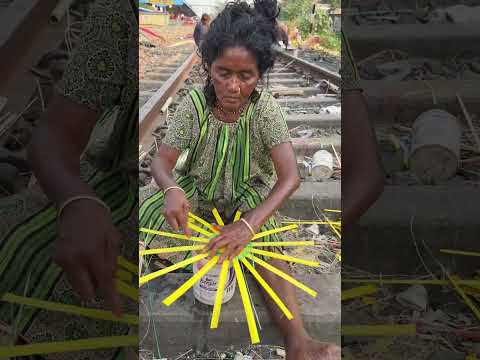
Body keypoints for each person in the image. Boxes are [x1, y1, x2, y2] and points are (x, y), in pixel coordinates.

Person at [139, 0, 340, 358]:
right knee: (151, 213)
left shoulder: (265, 110)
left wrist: (248, 225)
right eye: (222, 73)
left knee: (264, 240)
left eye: (245, 76)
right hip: (197, 190)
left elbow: (290, 177)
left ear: (259, 75)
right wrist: (170, 189)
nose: (232, 86)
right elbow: (161, 163)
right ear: (208, 67)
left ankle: (298, 340)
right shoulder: (194, 106)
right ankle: (205, 251)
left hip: (249, 194)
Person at [0, 1, 138, 358]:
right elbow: (54, 135)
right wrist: (76, 200)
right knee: (18, 252)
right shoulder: (121, 10)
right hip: (113, 193)